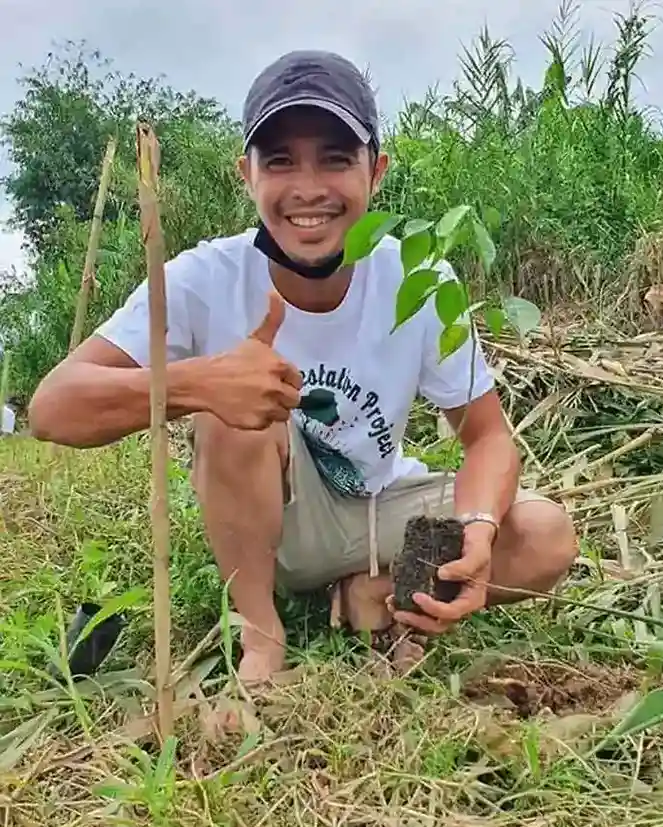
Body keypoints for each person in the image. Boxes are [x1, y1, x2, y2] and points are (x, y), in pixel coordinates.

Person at [28, 50, 578, 684]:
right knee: (232, 415)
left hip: (380, 506)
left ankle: (371, 594)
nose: (309, 188)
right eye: (281, 160)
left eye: (336, 159)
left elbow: (487, 438)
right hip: (278, 529)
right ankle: (262, 634)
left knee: (545, 535)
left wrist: (479, 529)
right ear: (247, 174)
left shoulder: (418, 276)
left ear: (376, 172)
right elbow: (52, 408)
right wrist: (198, 383)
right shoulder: (203, 280)